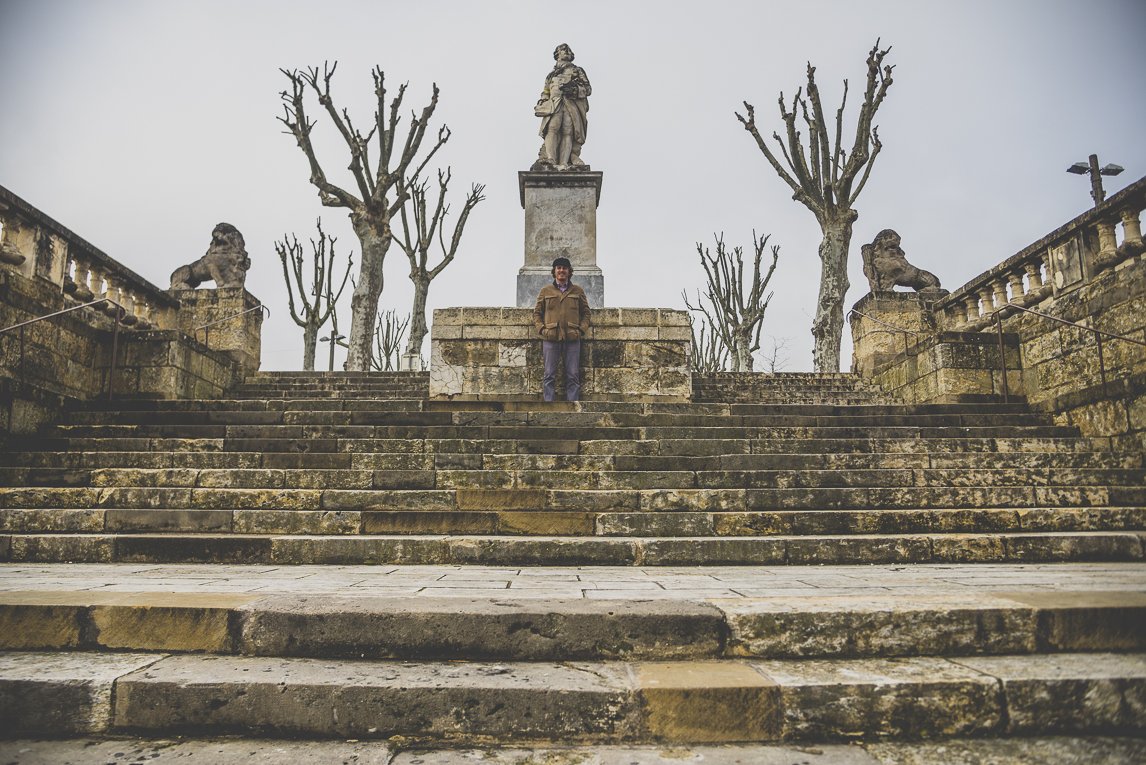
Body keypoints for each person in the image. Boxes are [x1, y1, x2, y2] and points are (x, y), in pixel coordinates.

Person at [533, 257, 591, 401]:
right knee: (549, 375)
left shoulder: (578, 291)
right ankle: (548, 407)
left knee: (573, 375)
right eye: (558, 268)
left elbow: (586, 313)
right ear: (554, 271)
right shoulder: (545, 291)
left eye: (564, 268)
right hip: (551, 338)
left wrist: (581, 331)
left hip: (572, 338)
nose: (561, 271)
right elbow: (537, 314)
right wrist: (542, 330)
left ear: (569, 271)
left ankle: (572, 407)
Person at [535, 43, 591, 168]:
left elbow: (587, 89)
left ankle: (564, 163)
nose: (566, 51)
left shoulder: (577, 70)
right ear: (557, 54)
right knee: (552, 129)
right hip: (555, 104)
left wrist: (573, 89)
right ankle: (551, 159)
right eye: (562, 49)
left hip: (570, 104)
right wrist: (543, 101)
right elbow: (546, 92)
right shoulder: (551, 75)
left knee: (568, 131)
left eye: (568, 50)